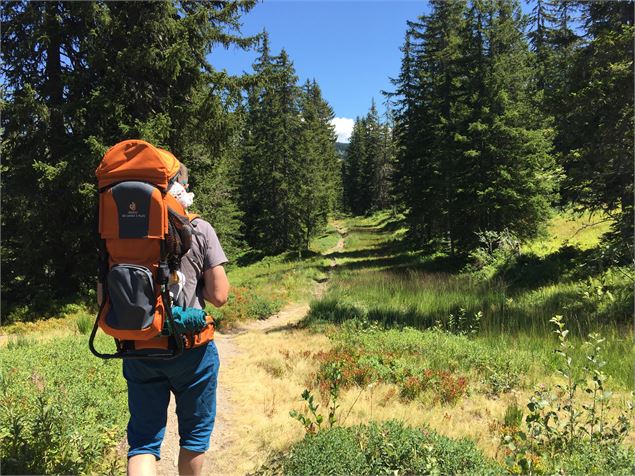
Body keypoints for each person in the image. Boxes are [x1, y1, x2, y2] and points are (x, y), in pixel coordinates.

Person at [100, 163, 229, 476]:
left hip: (139, 345)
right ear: (179, 186)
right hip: (191, 351)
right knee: (195, 437)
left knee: (143, 442)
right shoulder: (199, 228)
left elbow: (104, 298)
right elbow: (219, 295)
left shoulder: (115, 233)